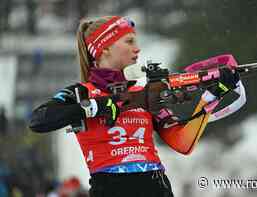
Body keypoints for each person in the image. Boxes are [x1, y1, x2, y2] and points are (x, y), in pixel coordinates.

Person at [28, 16, 239, 197]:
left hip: (156, 187)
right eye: (129, 41)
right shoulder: (80, 93)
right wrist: (94, 107)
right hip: (110, 188)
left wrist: (211, 96)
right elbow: (39, 119)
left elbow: (182, 143)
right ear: (105, 48)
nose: (137, 48)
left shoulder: (143, 93)